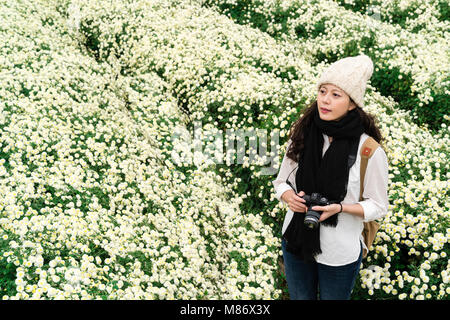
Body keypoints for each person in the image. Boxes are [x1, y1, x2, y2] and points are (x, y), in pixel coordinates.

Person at [272, 54, 389, 300]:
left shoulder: (368, 151)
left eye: (336, 95)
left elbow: (378, 206)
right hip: (295, 240)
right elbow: (280, 181)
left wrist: (340, 208)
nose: (325, 100)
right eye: (323, 91)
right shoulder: (303, 135)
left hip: (340, 252)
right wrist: (289, 196)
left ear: (352, 104)